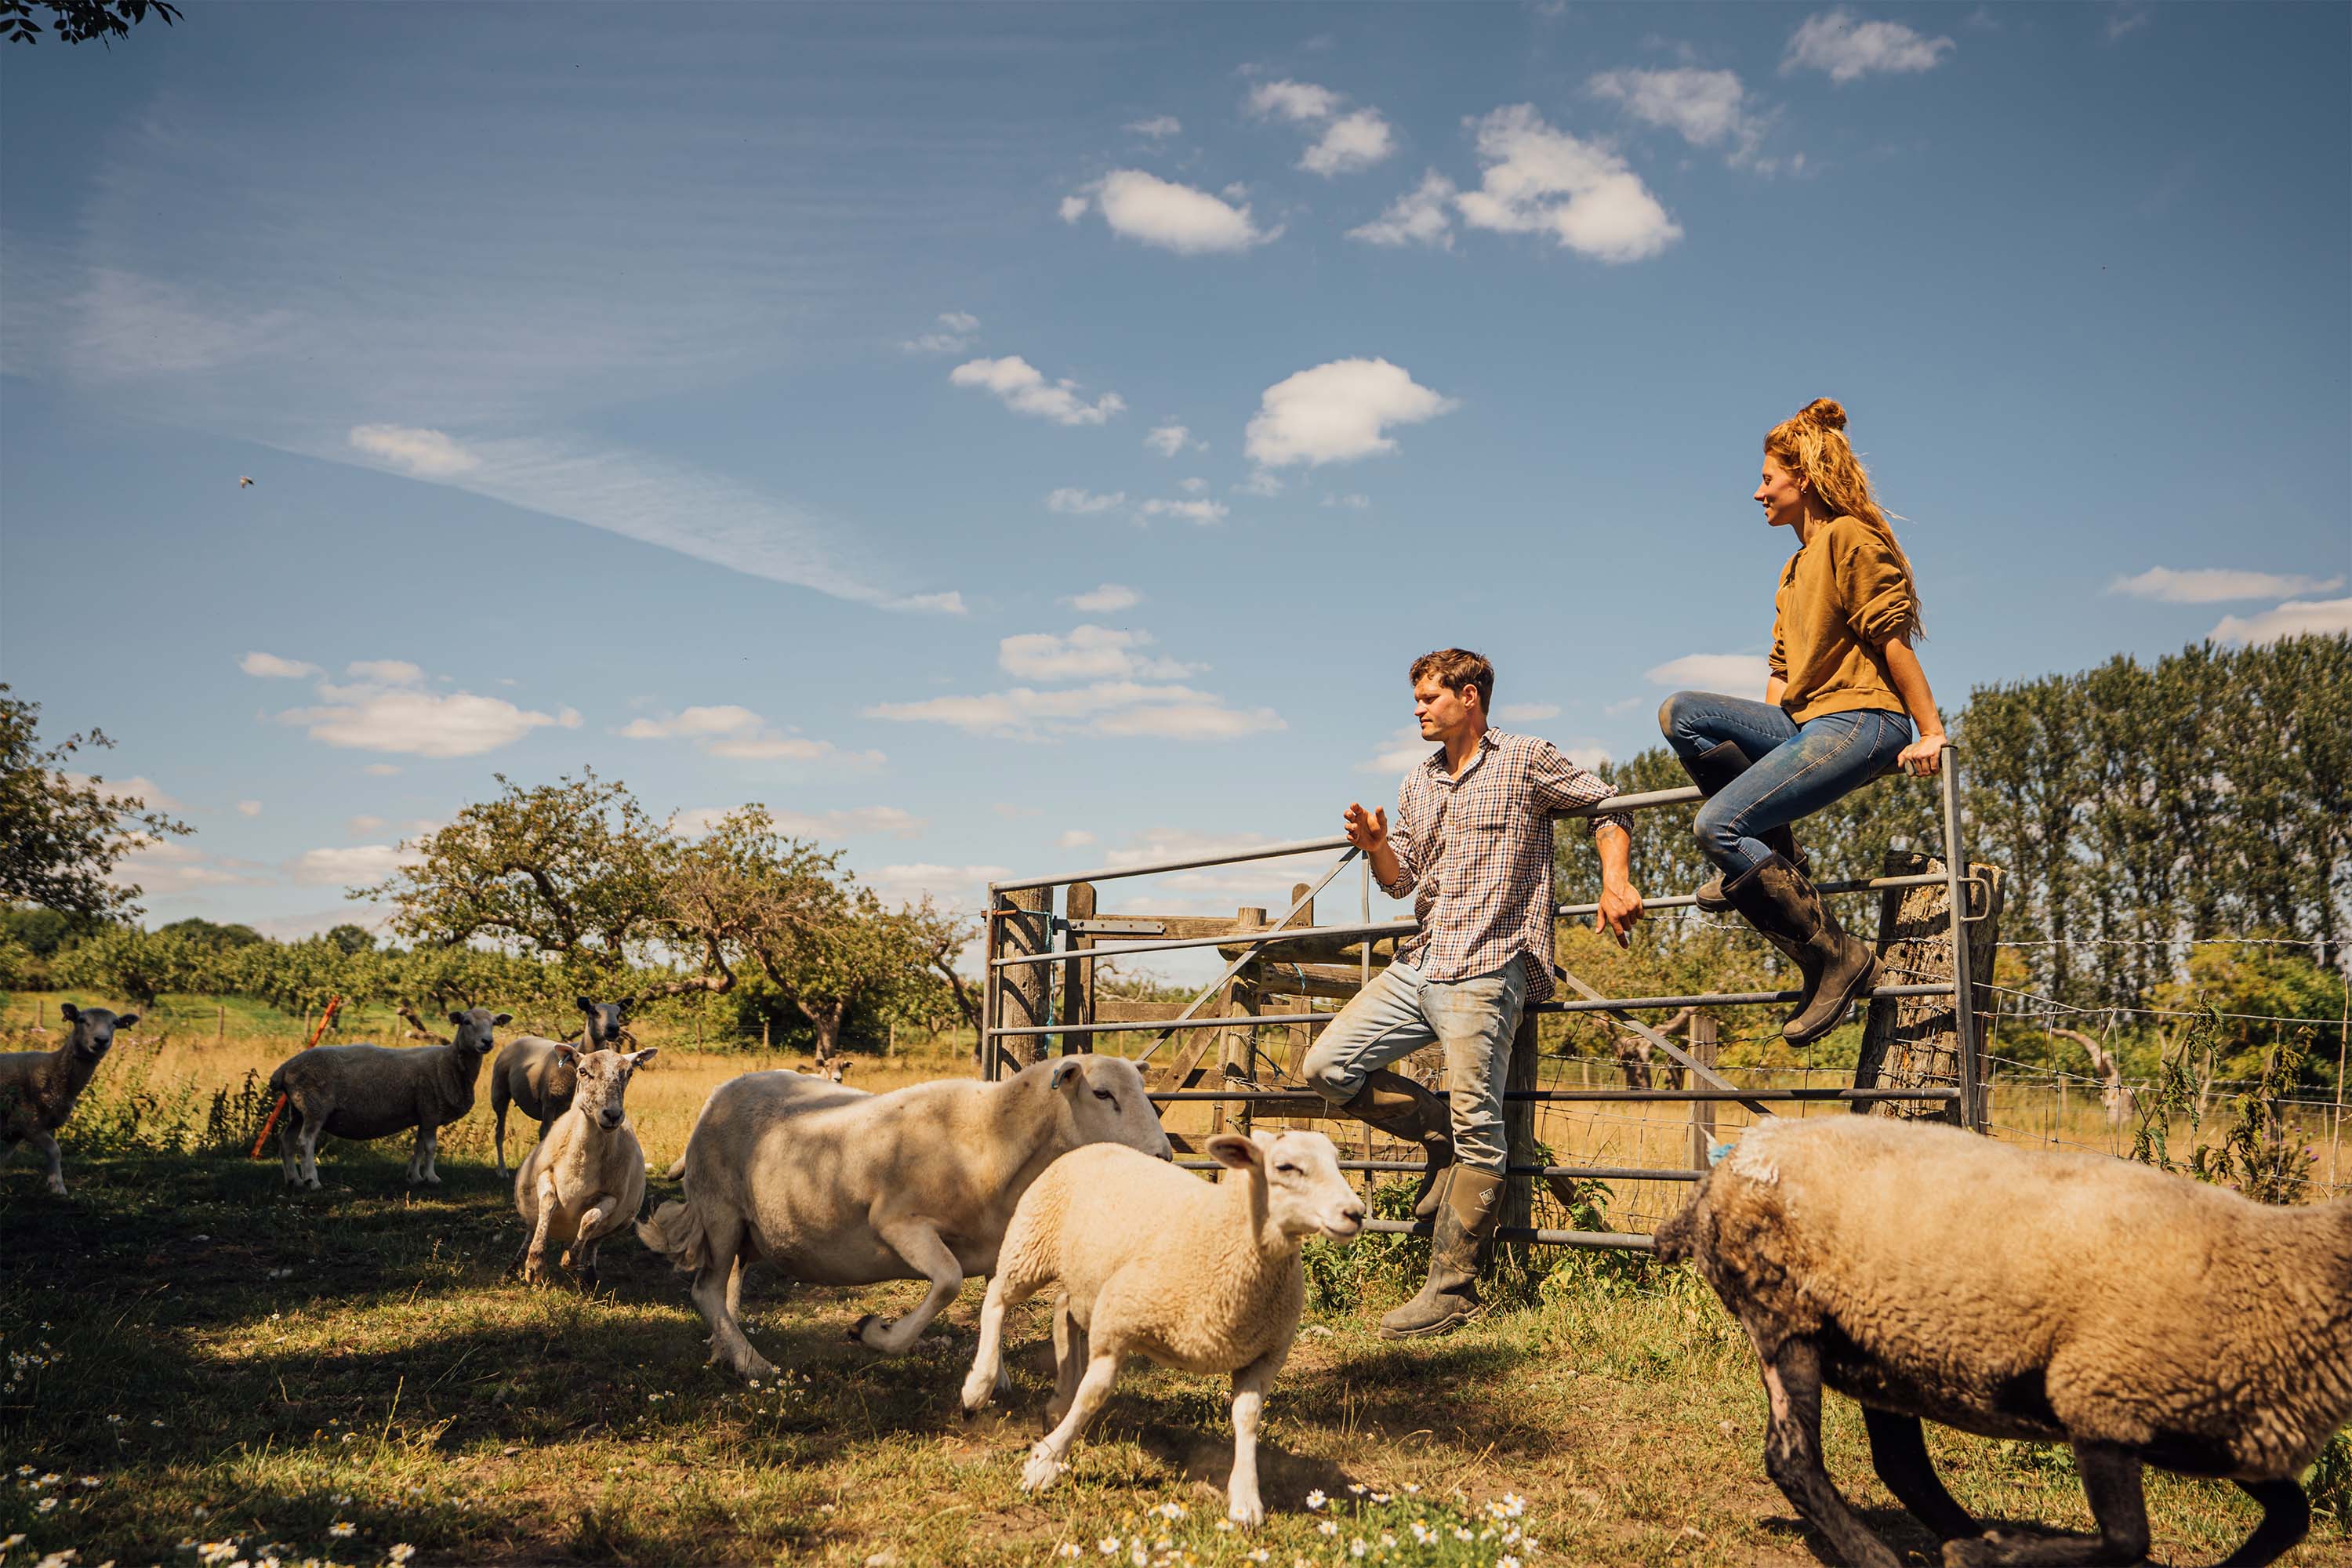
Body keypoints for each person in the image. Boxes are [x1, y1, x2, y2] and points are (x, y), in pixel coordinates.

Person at [1305, 648, 1642, 1338]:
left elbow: (1607, 805)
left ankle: (1453, 1289)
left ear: (1470, 696)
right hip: (1422, 961)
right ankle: (1438, 1139)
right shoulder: (1418, 783)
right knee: (1325, 1067)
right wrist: (1376, 846)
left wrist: (1616, 880)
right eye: (1417, 701)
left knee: (1481, 1130)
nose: (1419, 711)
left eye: (1430, 699)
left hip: (1490, 964)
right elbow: (1402, 882)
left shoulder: (1524, 758)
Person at [1657, 397, 1950, 1046]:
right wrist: (1763, 754)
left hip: (1862, 720)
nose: (1757, 490)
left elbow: (1893, 638)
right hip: (1806, 722)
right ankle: (1776, 855)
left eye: (1768, 478)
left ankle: (1836, 957)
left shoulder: (1849, 537)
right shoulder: (1792, 568)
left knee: (1717, 824)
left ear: (1805, 480)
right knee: (1684, 714)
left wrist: (1930, 729)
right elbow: (1783, 672)